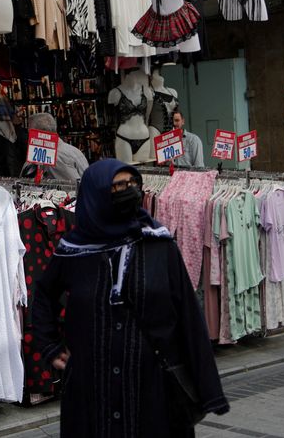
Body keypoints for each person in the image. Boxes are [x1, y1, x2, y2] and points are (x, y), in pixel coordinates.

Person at [32, 159, 228, 438]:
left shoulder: (158, 244)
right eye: (118, 186)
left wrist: (208, 387)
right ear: (96, 194)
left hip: (153, 391)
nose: (129, 191)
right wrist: (49, 345)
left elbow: (188, 315)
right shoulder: (73, 251)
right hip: (91, 390)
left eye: (133, 184)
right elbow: (42, 295)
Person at [20, 113, 89, 181]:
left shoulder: (52, 157)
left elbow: (70, 188)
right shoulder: (72, 150)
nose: (28, 136)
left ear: (39, 133)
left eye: (29, 132)